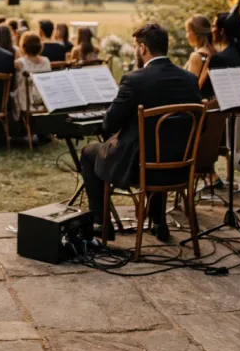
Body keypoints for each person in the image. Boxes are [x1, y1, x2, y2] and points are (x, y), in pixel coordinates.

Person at [79, 24, 202, 241]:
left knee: (89, 153)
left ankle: (101, 223)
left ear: (143, 48)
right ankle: (158, 221)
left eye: (137, 47)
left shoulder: (134, 80)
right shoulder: (190, 79)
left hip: (139, 169)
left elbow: (109, 124)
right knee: (159, 146)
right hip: (181, 167)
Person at [12, 33, 52, 116]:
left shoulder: (19, 63)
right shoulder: (46, 61)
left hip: (26, 104)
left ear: (23, 46)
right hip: (43, 103)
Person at [183, 15, 216, 80]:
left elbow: (190, 85)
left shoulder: (197, 56)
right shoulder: (214, 52)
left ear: (197, 33)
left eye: (187, 31)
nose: (186, 36)